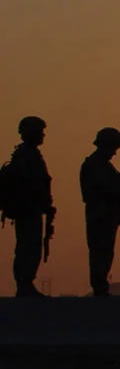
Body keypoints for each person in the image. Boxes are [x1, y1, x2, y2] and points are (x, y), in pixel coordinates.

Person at [79, 127, 120, 297]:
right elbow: (108, 190)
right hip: (100, 216)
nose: (114, 153)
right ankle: (99, 287)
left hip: (106, 216)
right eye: (113, 148)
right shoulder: (94, 166)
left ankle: (101, 286)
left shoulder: (105, 167)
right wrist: (118, 192)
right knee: (100, 252)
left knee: (105, 253)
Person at [2, 116, 55, 297]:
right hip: (27, 209)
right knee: (28, 246)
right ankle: (24, 284)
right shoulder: (25, 155)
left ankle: (26, 284)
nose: (42, 135)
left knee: (31, 246)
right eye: (39, 132)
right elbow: (29, 184)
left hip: (32, 208)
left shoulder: (29, 154)